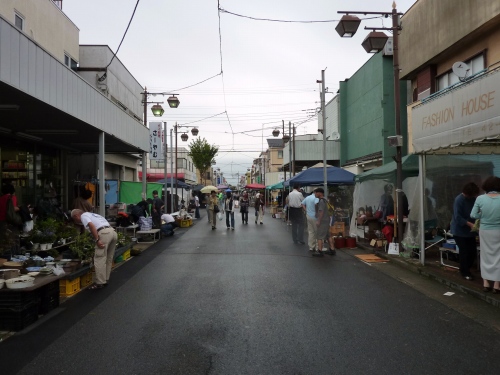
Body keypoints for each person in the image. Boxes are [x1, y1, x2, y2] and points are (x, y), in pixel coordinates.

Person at [71, 209, 117, 289]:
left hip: (104, 233)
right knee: (108, 258)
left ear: (76, 215)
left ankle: (100, 282)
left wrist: (97, 240)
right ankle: (105, 279)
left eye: (75, 219)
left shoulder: (83, 216)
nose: (77, 221)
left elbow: (92, 226)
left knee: (99, 258)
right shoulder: (93, 214)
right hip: (112, 232)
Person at [470, 176, 500, 293]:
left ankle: (486, 283)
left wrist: (482, 215)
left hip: (485, 231)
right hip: (498, 230)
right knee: (498, 256)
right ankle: (497, 285)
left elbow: (473, 215)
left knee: (485, 255)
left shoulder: (480, 199)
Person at [451, 182, 480, 280]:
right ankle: (465, 272)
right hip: (459, 231)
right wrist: (470, 224)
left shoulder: (474, 199)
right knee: (464, 252)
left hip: (471, 231)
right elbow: (457, 217)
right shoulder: (459, 200)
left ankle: (467, 269)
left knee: (472, 251)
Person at [313, 188, 330, 257]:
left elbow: (321, 212)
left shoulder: (321, 201)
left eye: (316, 193)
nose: (315, 194)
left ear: (320, 193)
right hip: (327, 219)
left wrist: (318, 220)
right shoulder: (326, 200)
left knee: (319, 236)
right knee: (328, 235)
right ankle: (332, 249)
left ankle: (320, 251)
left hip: (323, 220)